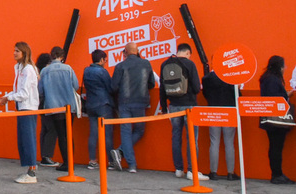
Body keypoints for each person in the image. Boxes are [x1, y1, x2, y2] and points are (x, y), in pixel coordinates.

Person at [160, 43, 205, 180]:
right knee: (192, 138)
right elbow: (197, 88)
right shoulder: (190, 64)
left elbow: (162, 88)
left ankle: (178, 169)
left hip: (173, 106)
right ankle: (192, 171)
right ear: (187, 53)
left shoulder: (165, 64)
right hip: (189, 106)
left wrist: (163, 108)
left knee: (176, 137)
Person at [112, 42, 156, 173]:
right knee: (139, 131)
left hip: (124, 103)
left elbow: (113, 86)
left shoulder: (120, 66)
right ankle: (120, 152)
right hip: (141, 103)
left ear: (125, 52)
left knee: (125, 132)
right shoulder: (146, 64)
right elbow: (152, 84)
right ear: (138, 51)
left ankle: (130, 164)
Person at [38, 46, 78, 172]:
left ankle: (66, 162)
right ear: (62, 56)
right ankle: (70, 161)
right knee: (69, 134)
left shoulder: (45, 71)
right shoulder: (68, 69)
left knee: (61, 135)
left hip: (54, 107)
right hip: (69, 106)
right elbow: (75, 86)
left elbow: (41, 91)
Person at [4, 41, 40, 184]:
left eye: (17, 51)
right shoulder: (20, 68)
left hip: (28, 107)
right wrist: (8, 97)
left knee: (28, 139)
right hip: (22, 106)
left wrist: (9, 97)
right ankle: (29, 169)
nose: (14, 53)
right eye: (14, 50)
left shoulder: (28, 69)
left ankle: (32, 172)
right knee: (24, 139)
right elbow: (19, 90)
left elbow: (24, 93)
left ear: (24, 53)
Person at [259, 55, 295, 184]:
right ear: (279, 67)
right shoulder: (273, 80)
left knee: (274, 146)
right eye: (284, 66)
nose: (285, 68)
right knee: (277, 146)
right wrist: (286, 95)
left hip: (268, 117)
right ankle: (277, 174)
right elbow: (276, 98)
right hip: (276, 119)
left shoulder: (266, 78)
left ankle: (277, 173)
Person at [201, 69, 238, 180]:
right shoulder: (231, 77)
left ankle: (213, 172)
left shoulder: (207, 78)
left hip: (213, 111)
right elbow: (237, 94)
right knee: (229, 143)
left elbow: (205, 94)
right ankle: (230, 173)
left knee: (214, 142)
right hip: (229, 111)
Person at [82, 49, 113, 170]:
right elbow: (110, 88)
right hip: (104, 104)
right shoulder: (102, 72)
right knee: (107, 134)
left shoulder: (86, 71)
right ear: (101, 60)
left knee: (93, 133)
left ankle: (92, 160)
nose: (106, 62)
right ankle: (110, 161)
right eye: (105, 60)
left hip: (91, 105)